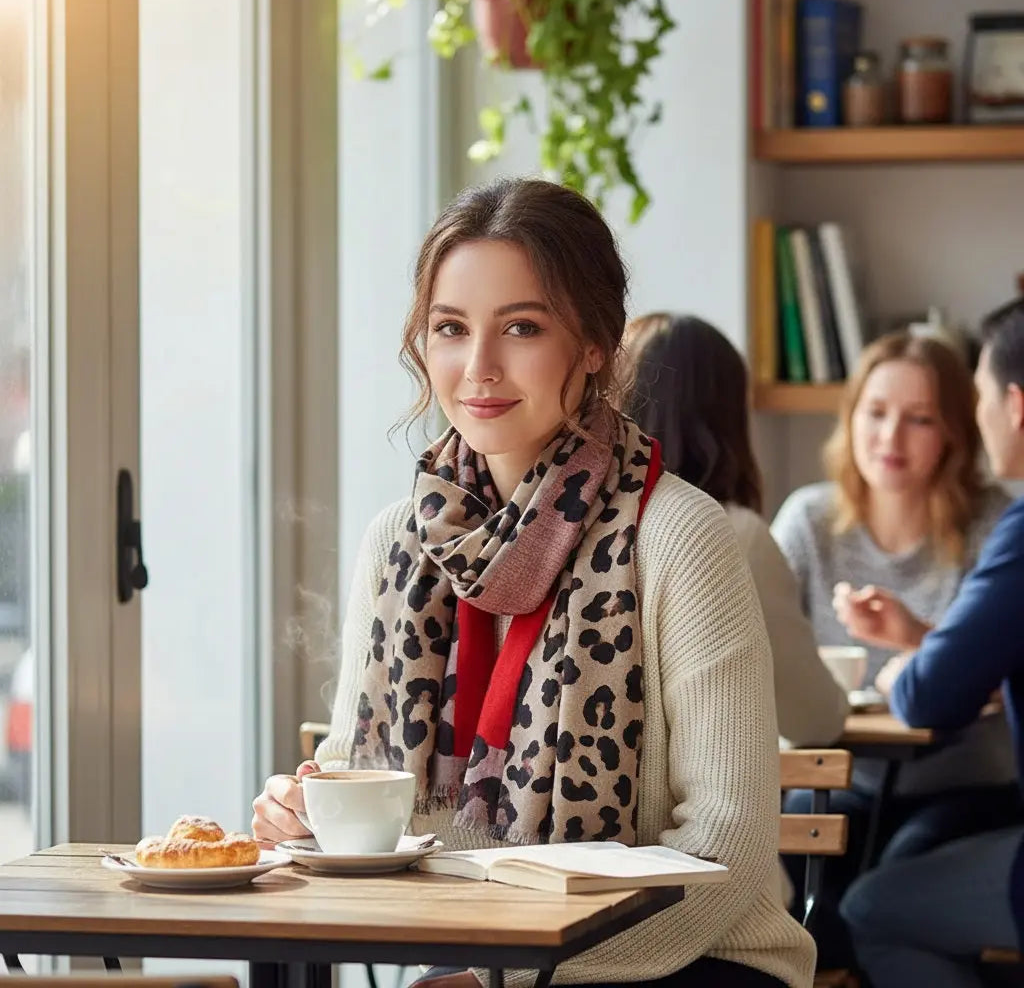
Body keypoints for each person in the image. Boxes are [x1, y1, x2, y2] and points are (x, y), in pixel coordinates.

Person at [252, 178, 815, 988]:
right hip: (478, 962)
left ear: (593, 346)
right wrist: (298, 816)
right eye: (450, 328)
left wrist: (506, 976)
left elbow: (725, 841)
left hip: (687, 962)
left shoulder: (677, 535)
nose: (478, 368)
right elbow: (358, 780)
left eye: (521, 327)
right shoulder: (397, 542)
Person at [771, 331, 1017, 966]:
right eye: (876, 413)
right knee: (795, 849)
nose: (891, 437)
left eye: (920, 419)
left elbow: (990, 671)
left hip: (963, 783)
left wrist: (916, 640)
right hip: (839, 777)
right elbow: (753, 648)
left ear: (956, 433)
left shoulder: (995, 523)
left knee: (891, 878)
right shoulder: (809, 521)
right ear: (850, 419)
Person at [837, 295, 1024, 988]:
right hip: (854, 784)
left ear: (1015, 406)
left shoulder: (1013, 526)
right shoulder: (808, 518)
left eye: (971, 400)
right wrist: (920, 639)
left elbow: (928, 696)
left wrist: (899, 671)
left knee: (875, 908)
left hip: (969, 791)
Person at [620, 313, 848, 748]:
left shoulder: (575, 525)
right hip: (699, 801)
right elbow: (814, 720)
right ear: (728, 418)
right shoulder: (733, 535)